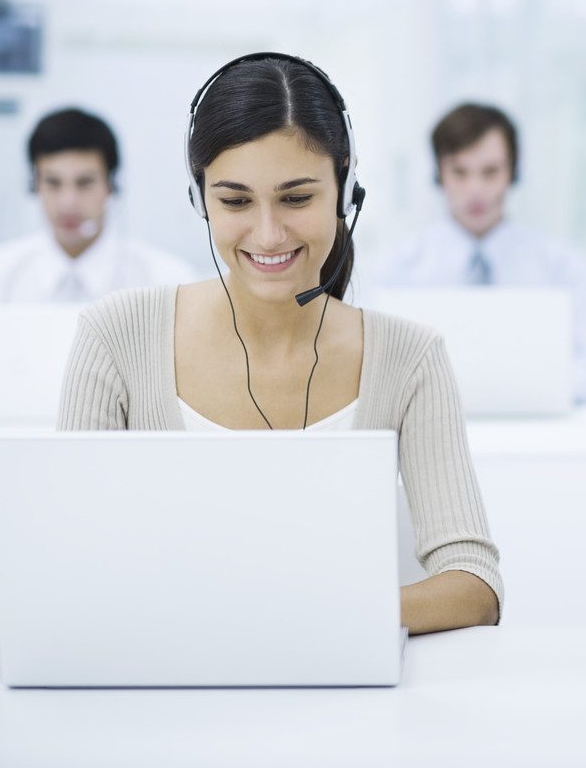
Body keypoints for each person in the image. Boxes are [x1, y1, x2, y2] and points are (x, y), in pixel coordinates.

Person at [57, 54, 502, 635]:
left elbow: (473, 581)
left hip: (351, 702)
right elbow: (65, 564)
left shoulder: (409, 357)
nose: (267, 235)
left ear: (345, 190)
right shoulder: (116, 337)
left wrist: (307, 616)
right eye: (235, 201)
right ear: (200, 199)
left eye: (296, 199)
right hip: (163, 698)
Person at [370, 102, 586, 401]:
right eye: (460, 172)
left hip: (540, 431)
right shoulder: (398, 271)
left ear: (512, 172)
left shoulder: (562, 269)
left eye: (490, 172)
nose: (475, 189)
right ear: (439, 173)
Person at [0, 107, 196, 302]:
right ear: (34, 184)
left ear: (111, 185)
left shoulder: (167, 280)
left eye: (84, 182)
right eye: (53, 183)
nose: (68, 202)